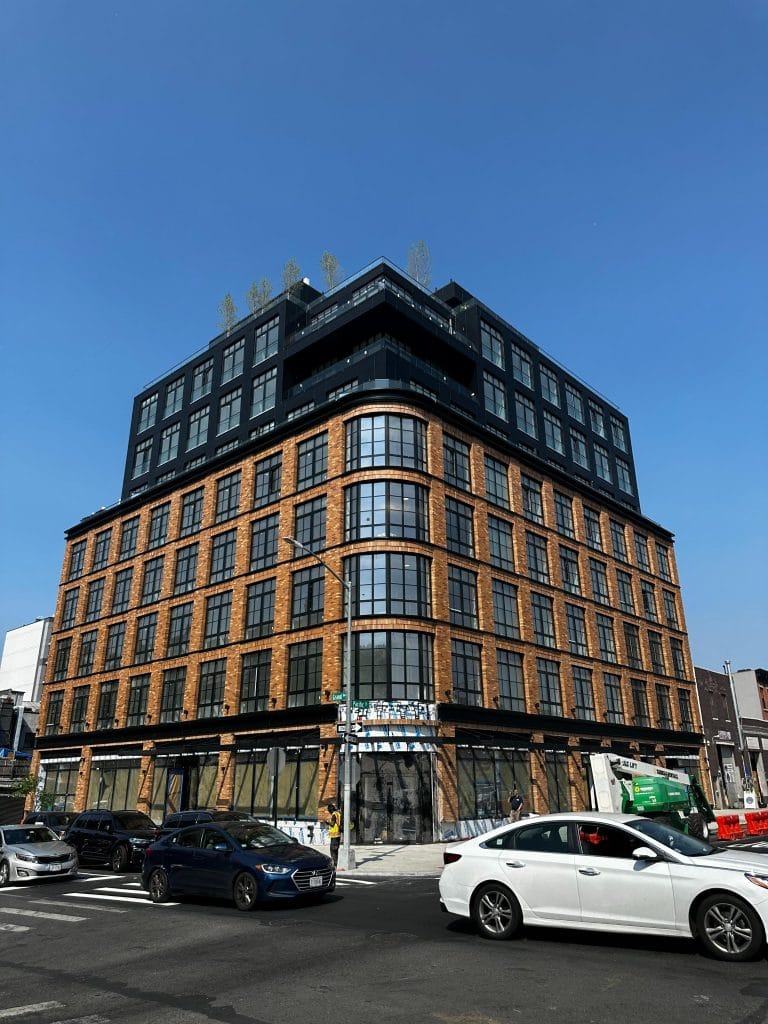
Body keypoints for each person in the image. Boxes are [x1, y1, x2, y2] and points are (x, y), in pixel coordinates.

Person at [327, 801, 341, 866]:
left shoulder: (334, 815)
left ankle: (334, 864)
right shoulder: (338, 813)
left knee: (332, 850)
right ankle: (336, 863)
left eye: (329, 810)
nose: (329, 812)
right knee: (336, 849)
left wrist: (327, 822)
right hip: (338, 834)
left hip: (334, 835)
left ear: (330, 810)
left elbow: (332, 824)